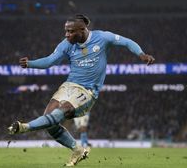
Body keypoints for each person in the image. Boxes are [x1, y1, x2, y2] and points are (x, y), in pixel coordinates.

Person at [8, 14, 155, 166]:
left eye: (70, 31)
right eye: (66, 31)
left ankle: (25, 127)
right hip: (68, 86)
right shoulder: (66, 44)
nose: (67, 34)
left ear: (82, 30)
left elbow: (127, 42)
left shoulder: (102, 37)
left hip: (87, 91)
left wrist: (141, 54)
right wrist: (30, 63)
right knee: (49, 122)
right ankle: (77, 149)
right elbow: (50, 61)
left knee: (60, 113)